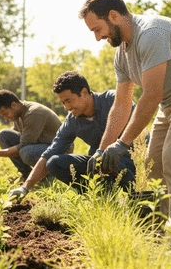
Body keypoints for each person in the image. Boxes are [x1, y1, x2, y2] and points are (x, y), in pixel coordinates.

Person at [78, 0, 171, 227]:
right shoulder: (122, 54)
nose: (97, 38)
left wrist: (122, 144)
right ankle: (158, 229)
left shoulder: (151, 33)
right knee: (152, 165)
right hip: (170, 102)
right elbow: (121, 104)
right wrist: (102, 150)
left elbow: (151, 95)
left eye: (97, 29)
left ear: (114, 15)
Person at [9, 71, 137, 199]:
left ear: (84, 93)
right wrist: (25, 187)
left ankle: (128, 192)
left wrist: (104, 150)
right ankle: (98, 195)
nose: (66, 107)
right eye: (63, 103)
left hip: (134, 158)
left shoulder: (113, 100)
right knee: (54, 162)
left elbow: (138, 124)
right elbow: (50, 153)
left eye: (68, 100)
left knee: (106, 159)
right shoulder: (72, 121)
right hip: (103, 162)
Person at [0, 90, 64, 180]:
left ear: (13, 105)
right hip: (40, 145)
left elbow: (22, 146)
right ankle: (27, 175)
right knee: (3, 136)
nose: (6, 118)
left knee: (26, 152)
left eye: (6, 114)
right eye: (3, 116)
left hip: (58, 150)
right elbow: (15, 136)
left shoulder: (33, 113)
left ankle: (46, 177)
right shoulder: (18, 114)